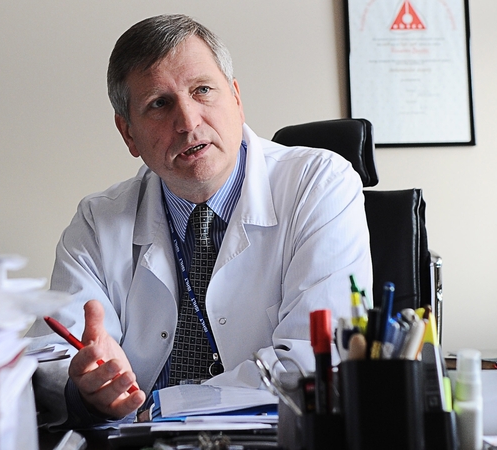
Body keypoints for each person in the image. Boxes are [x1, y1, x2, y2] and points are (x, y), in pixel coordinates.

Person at [29, 13, 371, 428]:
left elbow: (314, 359)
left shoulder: (319, 185)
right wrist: (87, 391)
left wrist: (163, 408)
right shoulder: (97, 221)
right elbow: (51, 358)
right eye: (159, 104)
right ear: (129, 134)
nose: (188, 122)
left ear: (236, 98)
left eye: (202, 90)